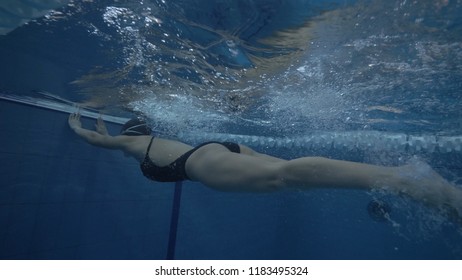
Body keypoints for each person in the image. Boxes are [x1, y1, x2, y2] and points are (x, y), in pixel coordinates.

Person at [68, 112, 462, 218]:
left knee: (283, 178)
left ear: (129, 132)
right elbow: (113, 138)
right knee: (291, 175)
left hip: (203, 162)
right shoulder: (137, 140)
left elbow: (96, 140)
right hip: (221, 150)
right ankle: (433, 193)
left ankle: (403, 179)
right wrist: (103, 124)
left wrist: (78, 126)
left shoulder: (130, 143)